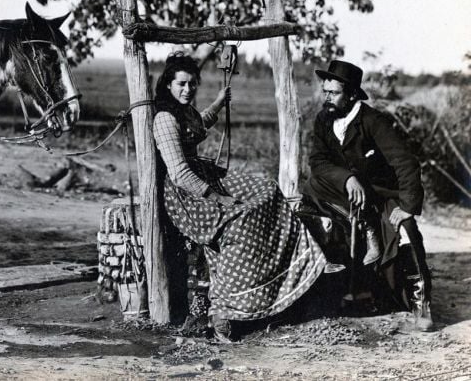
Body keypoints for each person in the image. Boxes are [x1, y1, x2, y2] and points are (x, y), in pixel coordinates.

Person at [152, 52, 327, 342]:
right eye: (181, 84)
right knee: (239, 219)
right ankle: (226, 307)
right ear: (168, 85)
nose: (188, 90)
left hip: (202, 176)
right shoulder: (164, 118)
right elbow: (180, 173)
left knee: (267, 189)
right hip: (185, 194)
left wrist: (219, 102)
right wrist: (218, 199)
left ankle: (302, 259)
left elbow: (198, 126)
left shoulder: (183, 111)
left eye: (193, 84)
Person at [302, 59, 434, 331]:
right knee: (313, 188)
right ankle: (329, 282)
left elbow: (405, 163)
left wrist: (407, 206)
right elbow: (318, 160)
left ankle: (421, 303)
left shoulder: (373, 121)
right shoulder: (324, 119)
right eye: (325, 91)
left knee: (405, 230)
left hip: (380, 194)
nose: (327, 97)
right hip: (344, 194)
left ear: (351, 94)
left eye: (333, 93)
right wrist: (347, 178)